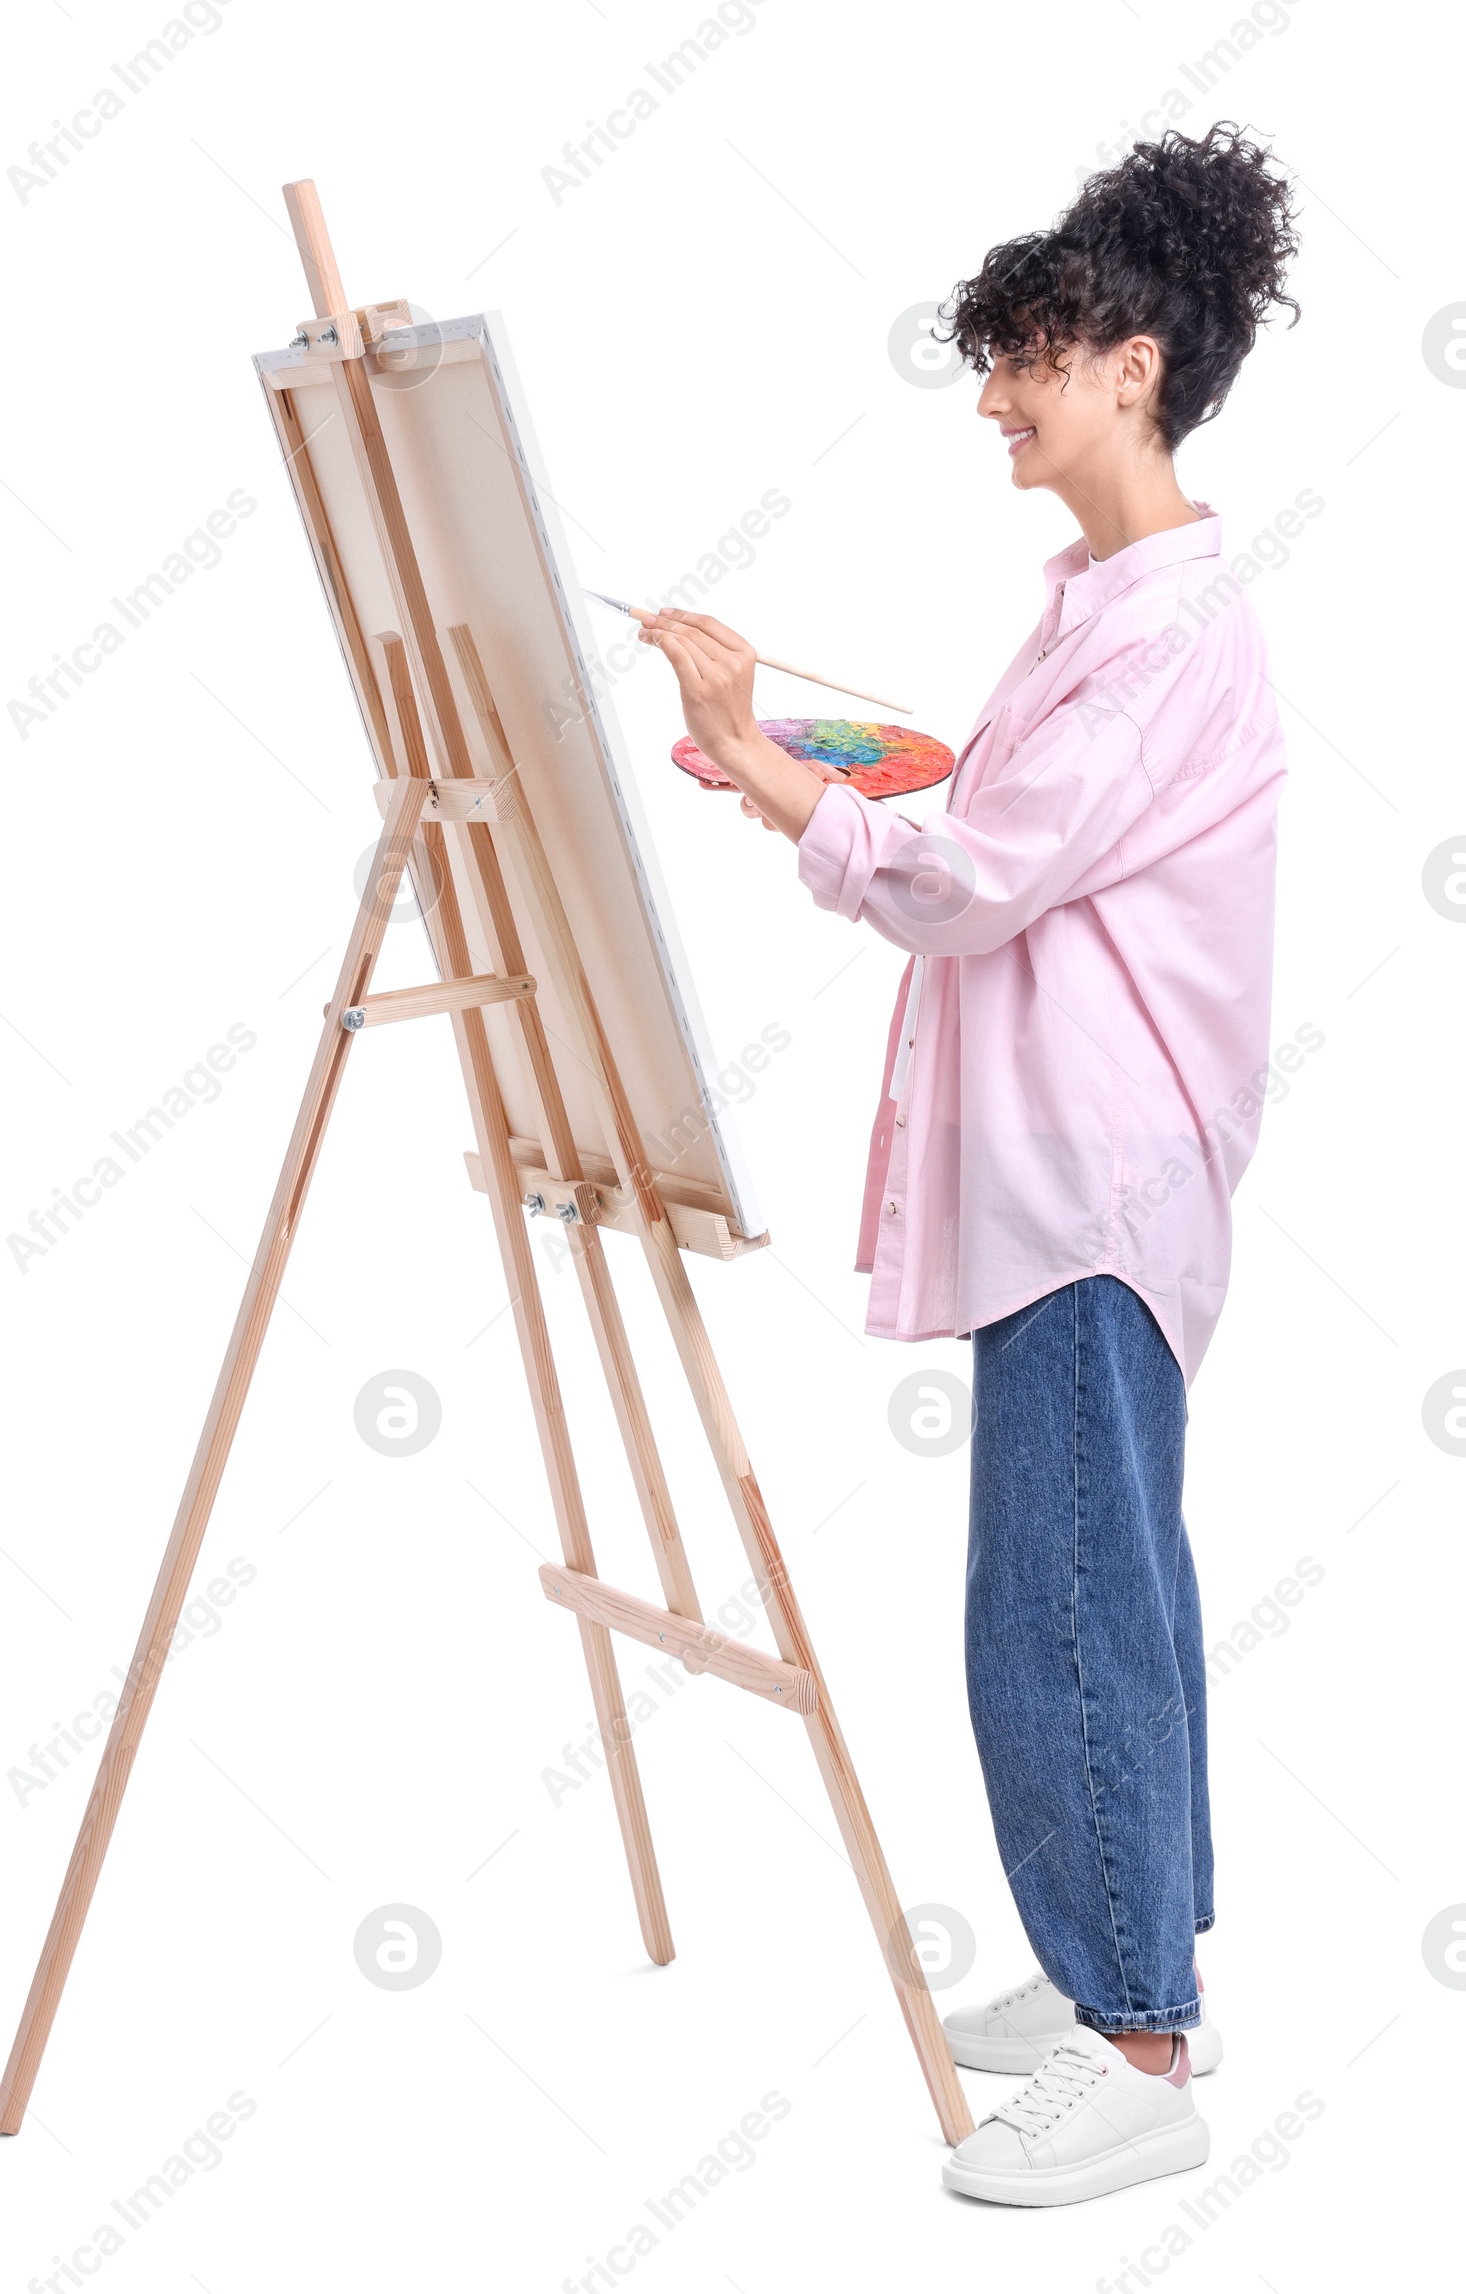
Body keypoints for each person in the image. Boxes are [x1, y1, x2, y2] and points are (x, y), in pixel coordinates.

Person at [636, 121, 1300, 2207]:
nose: (996, 398)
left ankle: (1127, 2047)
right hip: (1068, 1169)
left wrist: (760, 770)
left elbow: (982, 880)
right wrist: (864, 786)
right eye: (993, 357)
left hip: (1084, 1179)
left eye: (1029, 356)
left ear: (1130, 367)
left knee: (1063, 1605)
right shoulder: (1101, 606)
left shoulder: (1170, 623)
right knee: (1112, 1585)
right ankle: (1130, 1963)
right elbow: (1009, 829)